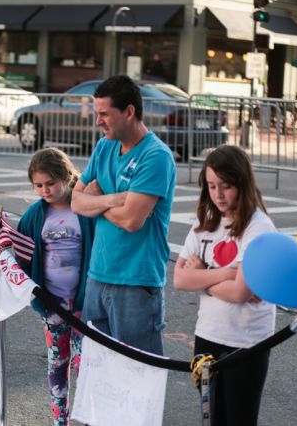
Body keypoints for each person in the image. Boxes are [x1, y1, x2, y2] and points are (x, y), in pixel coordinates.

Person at [70, 74, 176, 355]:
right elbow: (76, 201)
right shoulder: (105, 146)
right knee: (98, 372)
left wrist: (97, 200)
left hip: (136, 282)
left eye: (105, 114)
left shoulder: (156, 156)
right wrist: (115, 199)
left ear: (129, 112)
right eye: (96, 113)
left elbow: (132, 220)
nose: (98, 121)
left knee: (136, 376)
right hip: (98, 275)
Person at [173, 145, 276, 425]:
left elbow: (240, 292)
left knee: (239, 419)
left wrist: (204, 274)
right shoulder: (204, 223)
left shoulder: (259, 227)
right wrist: (227, 273)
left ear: (242, 183)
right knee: (213, 418)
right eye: (211, 186)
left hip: (246, 342)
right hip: (208, 335)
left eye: (226, 186)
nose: (218, 194)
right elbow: (180, 279)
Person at [16, 147, 101, 426]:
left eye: (50, 183)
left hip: (82, 305)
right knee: (57, 364)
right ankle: (59, 421)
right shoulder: (35, 214)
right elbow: (21, 253)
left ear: (66, 177)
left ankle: (88, 419)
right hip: (51, 306)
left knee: (84, 366)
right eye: (38, 185)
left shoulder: (84, 208)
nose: (45, 190)